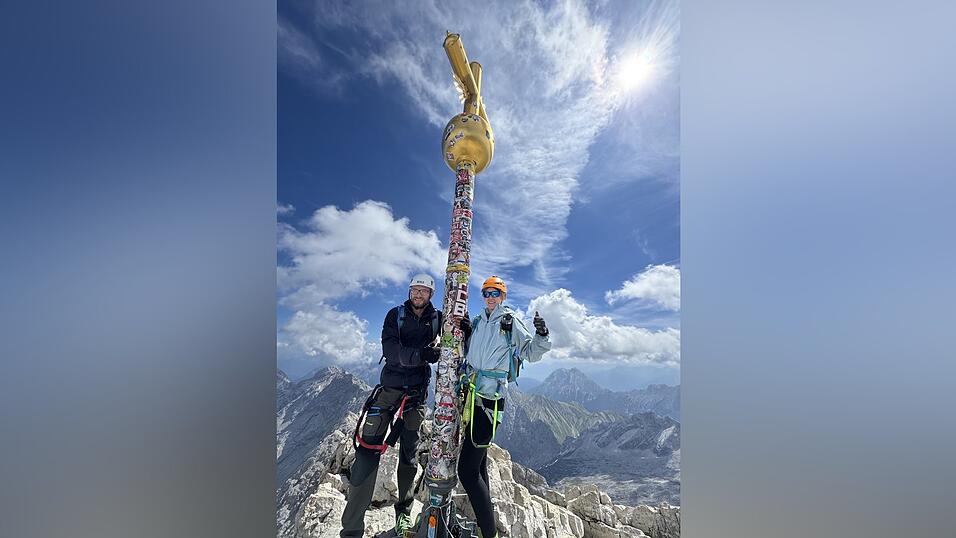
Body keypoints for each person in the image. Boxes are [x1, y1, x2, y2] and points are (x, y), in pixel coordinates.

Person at [341, 274, 443, 538]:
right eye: (414, 290)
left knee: (409, 456)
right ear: (409, 291)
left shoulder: (437, 319)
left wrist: (465, 326)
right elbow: (391, 350)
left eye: (423, 291)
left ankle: (403, 515)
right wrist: (421, 355)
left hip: (416, 395)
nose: (418, 294)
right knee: (367, 452)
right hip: (390, 391)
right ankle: (351, 530)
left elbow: (455, 333)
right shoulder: (394, 315)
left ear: (430, 294)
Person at [456, 275, 551, 538]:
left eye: (495, 293)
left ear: (503, 297)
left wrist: (542, 334)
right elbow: (472, 353)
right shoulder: (478, 322)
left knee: (466, 470)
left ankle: (490, 533)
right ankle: (486, 527)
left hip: (489, 400)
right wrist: (466, 334)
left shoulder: (509, 321)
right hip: (471, 395)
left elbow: (531, 352)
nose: (490, 297)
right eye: (486, 292)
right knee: (480, 462)